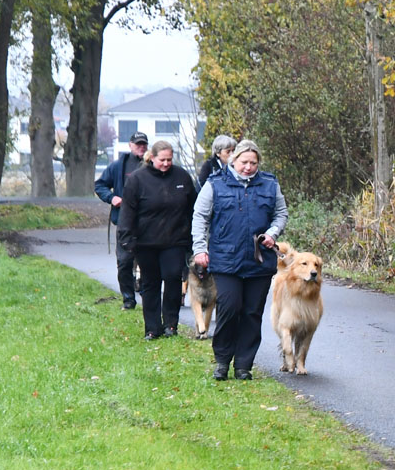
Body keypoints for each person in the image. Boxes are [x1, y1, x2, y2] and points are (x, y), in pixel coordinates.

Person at [191, 139, 288, 380]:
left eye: (253, 163)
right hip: (225, 260)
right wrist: (200, 249)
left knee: (251, 313)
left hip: (259, 261)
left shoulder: (269, 184)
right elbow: (200, 217)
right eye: (244, 162)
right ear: (233, 160)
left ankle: (244, 365)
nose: (248, 167)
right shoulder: (215, 184)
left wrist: (272, 234)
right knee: (229, 308)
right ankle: (222, 361)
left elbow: (280, 213)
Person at [117, 141, 197, 339]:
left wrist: (193, 237)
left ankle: (171, 324)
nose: (166, 163)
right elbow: (128, 212)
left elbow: (193, 208)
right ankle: (152, 328)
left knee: (172, 278)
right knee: (150, 283)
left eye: (169, 159)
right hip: (146, 242)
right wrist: (127, 238)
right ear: (151, 158)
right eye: (162, 160)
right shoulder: (137, 179)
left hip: (175, 239)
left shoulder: (182, 177)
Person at [95, 130, 148, 309]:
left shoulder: (153, 166)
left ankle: (149, 299)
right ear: (130, 146)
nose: (141, 147)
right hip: (124, 223)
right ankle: (128, 300)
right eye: (138, 144)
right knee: (124, 263)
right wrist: (112, 198)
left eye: (144, 144)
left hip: (149, 224)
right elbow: (99, 185)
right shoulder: (119, 166)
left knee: (149, 263)